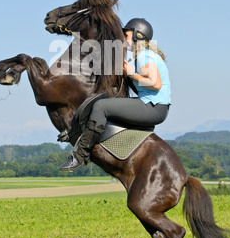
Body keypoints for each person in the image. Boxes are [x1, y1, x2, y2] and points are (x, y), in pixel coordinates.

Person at [60, 18, 171, 171]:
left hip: (153, 107)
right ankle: (76, 131)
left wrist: (132, 74)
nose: (123, 37)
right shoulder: (144, 55)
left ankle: (80, 155)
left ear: (138, 36)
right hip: (154, 107)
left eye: (126, 34)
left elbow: (155, 83)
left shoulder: (145, 56)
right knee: (108, 100)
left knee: (101, 107)